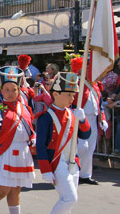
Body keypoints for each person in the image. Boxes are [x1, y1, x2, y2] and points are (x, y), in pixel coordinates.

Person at [0, 66, 35, 214]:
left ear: (19, 90)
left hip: (22, 152)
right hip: (5, 152)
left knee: (16, 189)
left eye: (14, 89)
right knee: (3, 189)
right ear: (1, 91)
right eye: (7, 90)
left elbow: (30, 130)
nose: (10, 93)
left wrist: (34, 139)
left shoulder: (26, 108)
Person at [36, 72, 91, 214]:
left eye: (73, 95)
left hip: (73, 161)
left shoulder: (73, 114)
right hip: (57, 161)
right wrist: (45, 169)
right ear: (56, 94)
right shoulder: (46, 117)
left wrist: (83, 120)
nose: (72, 98)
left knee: (67, 202)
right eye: (69, 94)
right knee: (70, 198)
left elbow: (86, 134)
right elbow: (40, 145)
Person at [69, 58, 106, 185]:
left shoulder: (95, 85)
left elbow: (99, 104)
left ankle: (85, 175)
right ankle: (74, 172)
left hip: (93, 119)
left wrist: (103, 119)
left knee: (90, 148)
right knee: (80, 147)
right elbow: (69, 100)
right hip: (79, 118)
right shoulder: (75, 82)